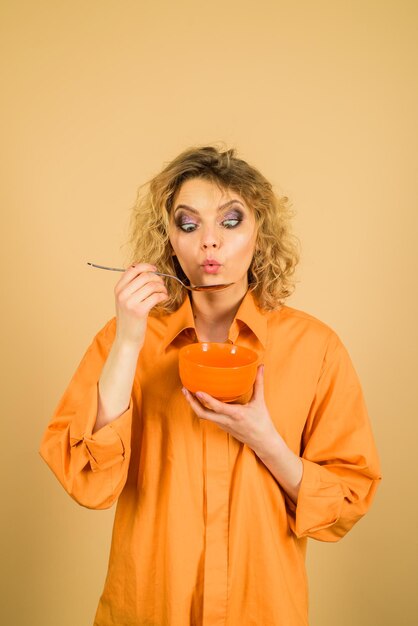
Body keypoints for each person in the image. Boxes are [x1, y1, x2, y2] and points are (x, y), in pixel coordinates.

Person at [39, 145, 382, 626]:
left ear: (260, 233)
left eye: (230, 220)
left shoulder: (316, 348)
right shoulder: (126, 339)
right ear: (169, 241)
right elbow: (86, 480)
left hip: (262, 609)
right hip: (149, 607)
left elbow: (346, 503)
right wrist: (128, 340)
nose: (209, 243)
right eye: (188, 224)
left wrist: (265, 440)